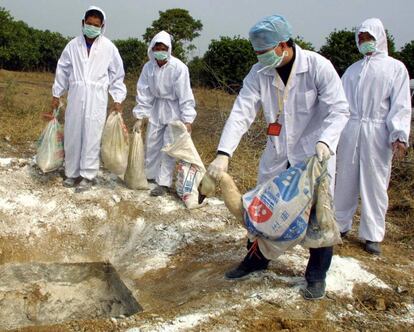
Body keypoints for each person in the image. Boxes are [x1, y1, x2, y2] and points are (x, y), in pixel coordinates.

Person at [207, 15, 350, 300]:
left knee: (318, 217)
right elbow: (241, 112)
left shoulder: (317, 67)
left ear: (284, 45)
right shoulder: (259, 72)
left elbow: (340, 110)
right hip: (278, 151)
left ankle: (316, 275)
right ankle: (256, 261)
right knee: (264, 208)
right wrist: (223, 154)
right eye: (257, 53)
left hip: (314, 155)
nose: (260, 57)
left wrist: (325, 141)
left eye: (264, 52)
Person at [334, 18, 411, 255]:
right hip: (351, 129)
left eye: (368, 38)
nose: (364, 42)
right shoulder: (352, 70)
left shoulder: (395, 68)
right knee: (344, 180)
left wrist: (399, 135)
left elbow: (400, 104)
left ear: (379, 38)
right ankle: (339, 225)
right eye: (360, 38)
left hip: (377, 132)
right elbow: (339, 104)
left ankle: (372, 234)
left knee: (375, 183)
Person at [48, 6, 126, 192]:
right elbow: (63, 70)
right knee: (73, 133)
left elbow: (117, 75)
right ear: (83, 23)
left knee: (92, 134)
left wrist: (117, 99)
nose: (91, 27)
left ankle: (88, 175)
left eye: (95, 25)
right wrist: (56, 93)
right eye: (88, 24)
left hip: (97, 97)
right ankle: (72, 172)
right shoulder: (72, 45)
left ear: (102, 26)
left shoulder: (109, 48)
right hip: (76, 95)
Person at [132, 31, 196, 196]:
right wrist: (140, 116)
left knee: (168, 146)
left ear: (169, 49)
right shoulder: (149, 67)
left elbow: (185, 94)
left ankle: (164, 183)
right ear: (152, 48)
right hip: (156, 107)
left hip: (173, 109)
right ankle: (150, 176)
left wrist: (187, 119)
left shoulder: (179, 68)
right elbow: (144, 91)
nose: (160, 50)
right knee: (152, 142)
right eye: (157, 47)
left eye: (163, 47)